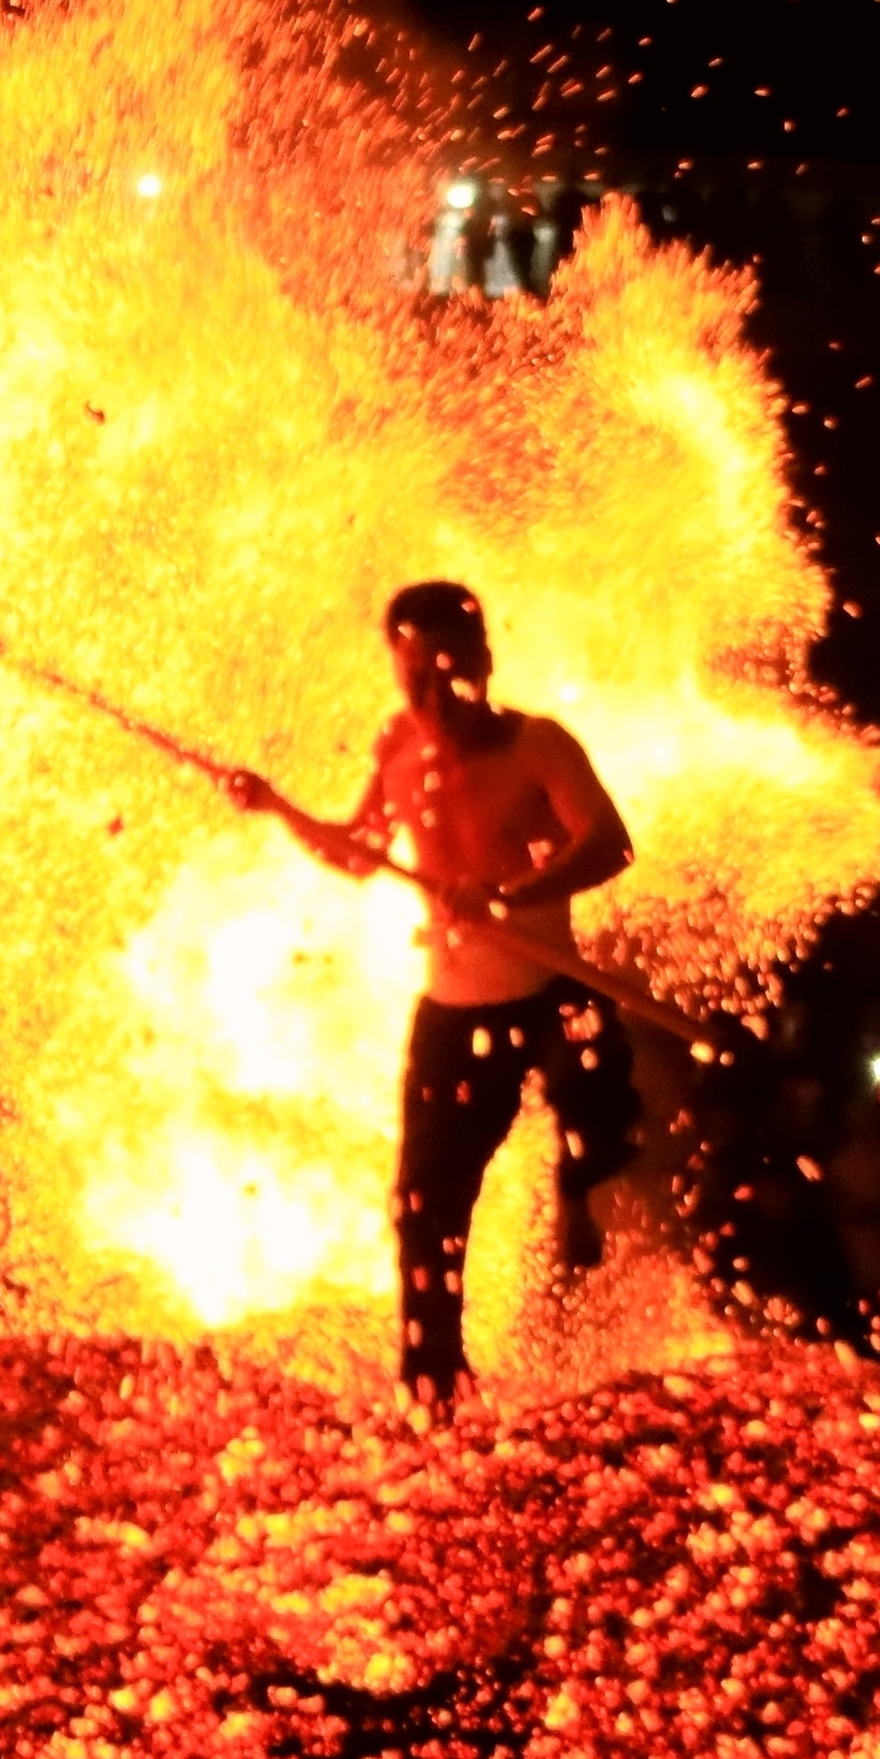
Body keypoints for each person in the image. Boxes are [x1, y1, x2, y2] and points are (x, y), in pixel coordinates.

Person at [226, 581, 640, 1408]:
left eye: (450, 672)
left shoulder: (537, 748)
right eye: (415, 678)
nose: (433, 696)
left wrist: (511, 894)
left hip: (553, 995)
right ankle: (435, 1385)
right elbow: (357, 854)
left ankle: (585, 1223)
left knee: (598, 1140)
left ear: (484, 663)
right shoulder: (399, 750)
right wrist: (278, 810)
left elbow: (610, 845)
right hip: (455, 1013)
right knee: (425, 1205)